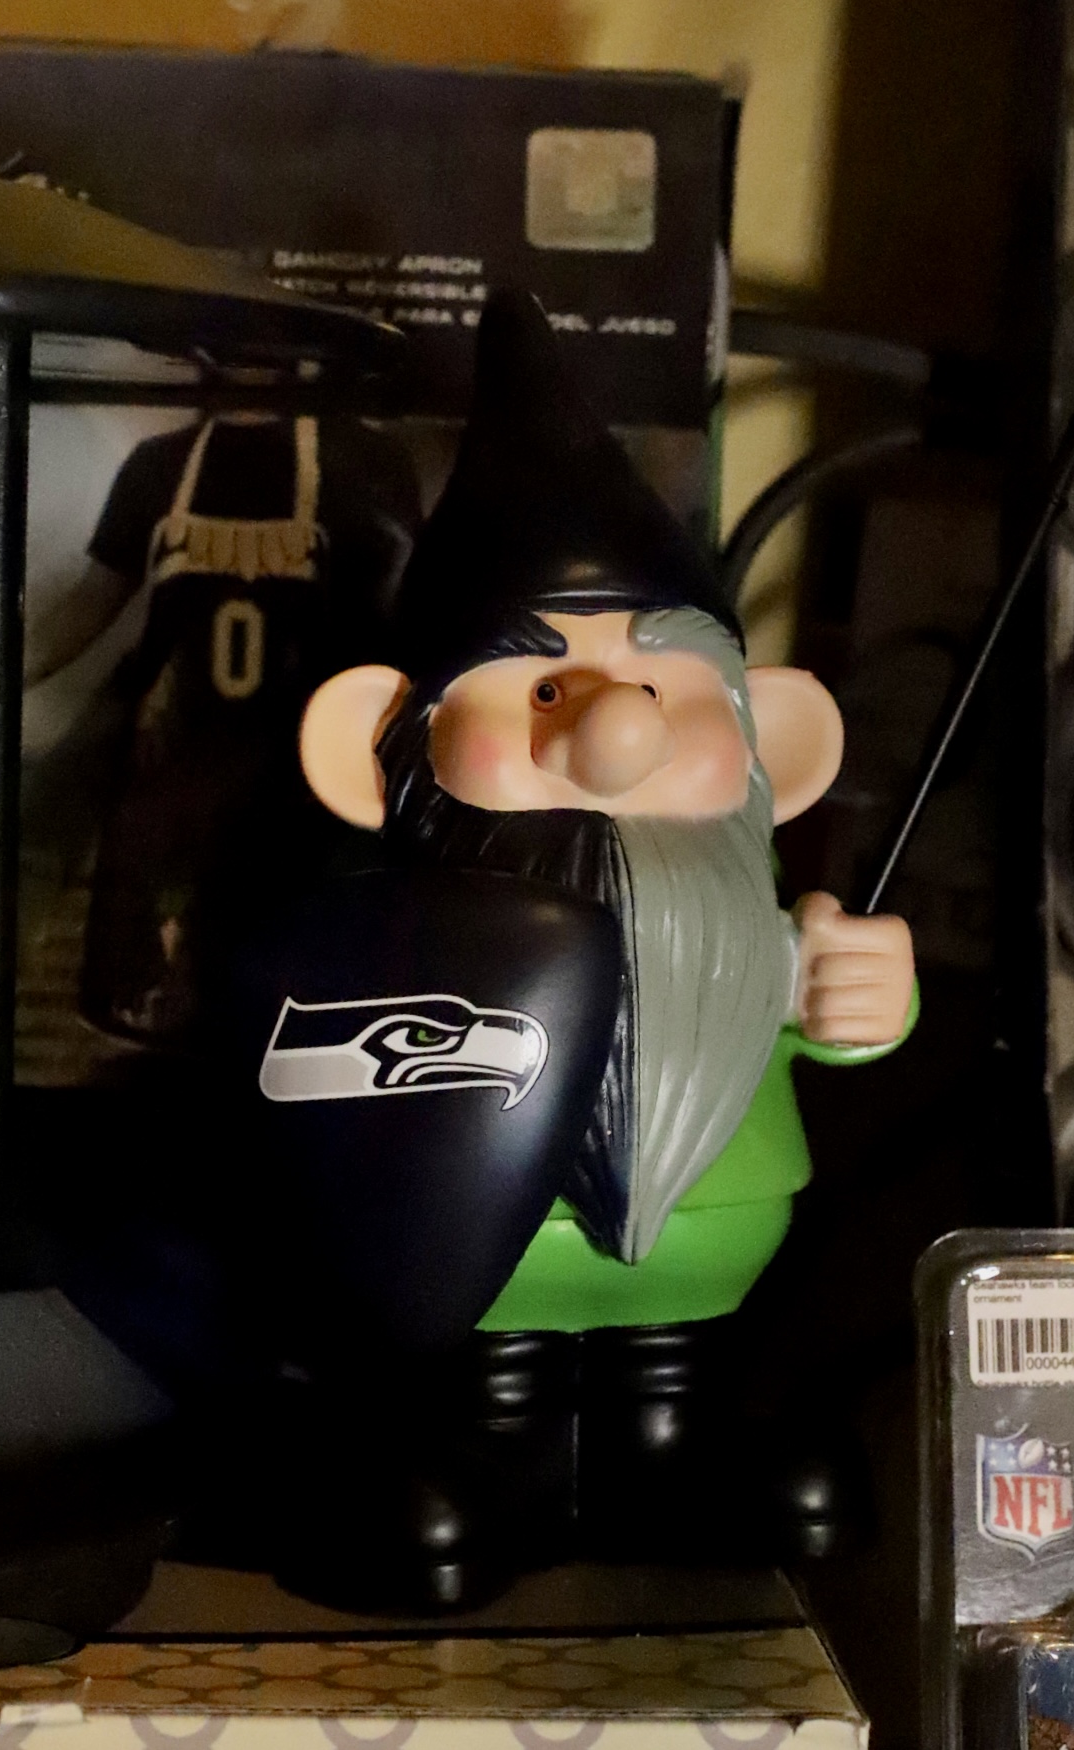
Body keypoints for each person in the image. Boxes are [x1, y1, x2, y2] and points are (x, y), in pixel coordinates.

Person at [240, 292, 916, 1608]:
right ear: (378, 749)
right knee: (482, 1395)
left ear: (774, 745)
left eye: (661, 685)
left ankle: (661, 1458)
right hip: (482, 1267)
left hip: (707, 1254)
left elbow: (839, 1019)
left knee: (671, 1385)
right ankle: (492, 1459)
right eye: (540, 685)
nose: (615, 731)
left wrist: (858, 994)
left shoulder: (758, 929)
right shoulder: (392, 937)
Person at [27, 404, 421, 1048]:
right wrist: (0, 674)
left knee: (274, 999)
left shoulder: (365, 460)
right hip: (175, 761)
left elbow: (402, 621)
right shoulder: (158, 466)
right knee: (147, 1018)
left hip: (302, 775)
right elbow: (93, 601)